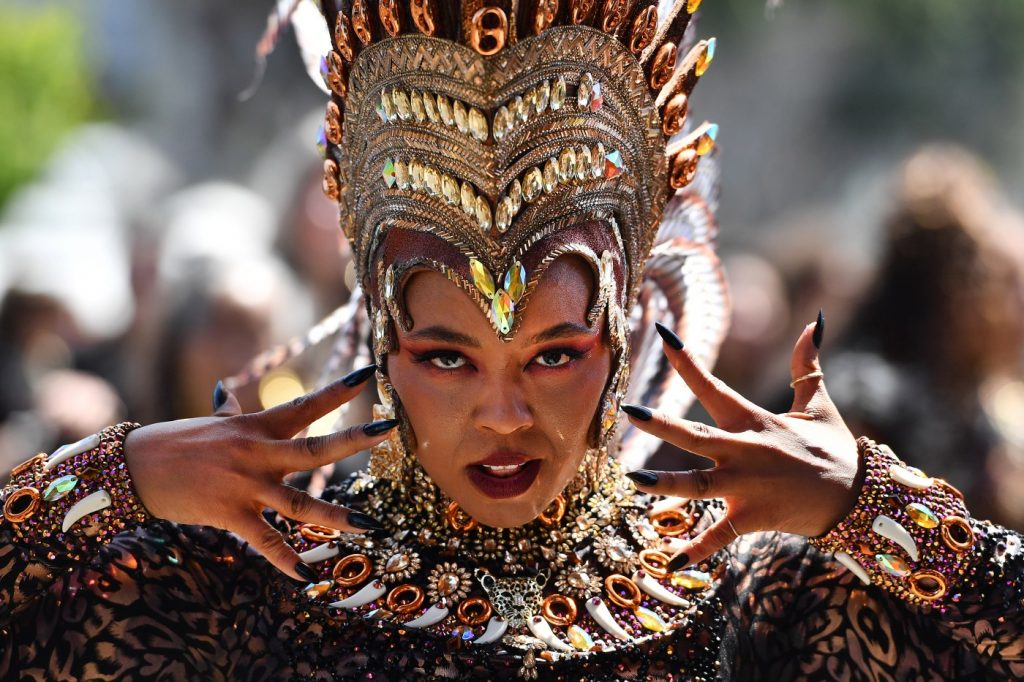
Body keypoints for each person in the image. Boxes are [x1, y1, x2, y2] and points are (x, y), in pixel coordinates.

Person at [1, 2, 1021, 679]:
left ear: (624, 330)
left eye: (553, 354)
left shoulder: (738, 590)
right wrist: (110, 479)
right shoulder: (241, 580)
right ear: (379, 337)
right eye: (446, 356)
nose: (502, 412)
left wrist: (871, 506)